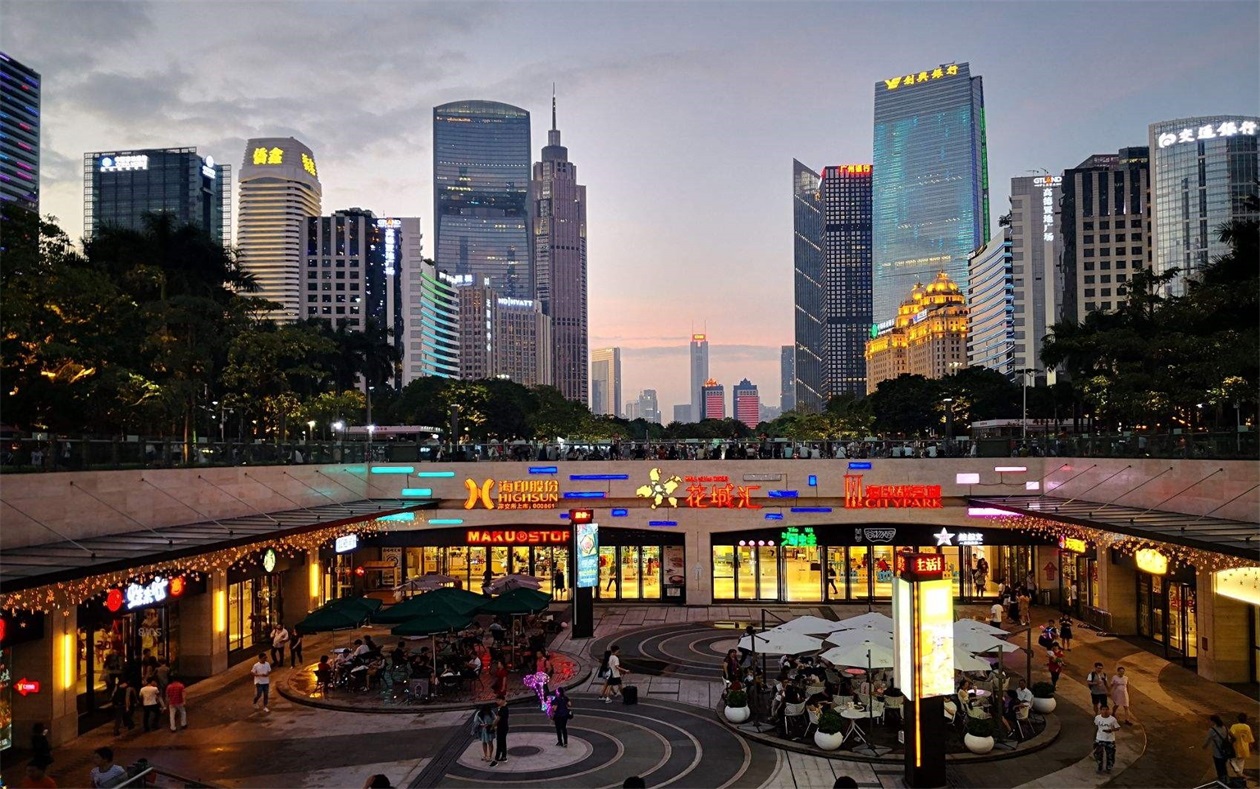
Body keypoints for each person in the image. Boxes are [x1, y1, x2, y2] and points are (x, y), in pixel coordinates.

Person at [1204, 715, 1233, 782]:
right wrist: (1229, 743)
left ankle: (1222, 782)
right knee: (1224, 767)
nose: (1209, 722)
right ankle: (1226, 780)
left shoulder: (1212, 730)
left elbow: (1207, 740)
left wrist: (1204, 746)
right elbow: (1234, 737)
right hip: (1225, 753)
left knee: (1219, 769)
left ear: (1213, 721)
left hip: (1217, 754)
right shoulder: (1225, 728)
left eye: (1210, 721)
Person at [1093, 703, 1120, 773]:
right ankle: (1100, 766)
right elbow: (1096, 726)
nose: (1105, 711)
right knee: (1098, 754)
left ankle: (1109, 767)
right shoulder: (1097, 718)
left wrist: (1111, 730)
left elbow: (1117, 727)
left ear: (1108, 710)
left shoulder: (1112, 719)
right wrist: (1095, 737)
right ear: (1100, 710)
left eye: (1106, 709)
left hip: (1110, 740)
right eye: (1103, 709)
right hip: (1100, 739)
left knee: (1110, 755)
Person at [1229, 713, 1254, 779]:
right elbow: (1250, 739)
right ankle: (1240, 776)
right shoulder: (1247, 727)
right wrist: (1250, 746)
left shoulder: (1234, 726)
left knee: (1232, 760)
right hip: (1244, 748)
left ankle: (1237, 771)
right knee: (1241, 762)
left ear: (1238, 719)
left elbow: (1230, 735)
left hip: (1235, 747)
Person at [492, 695, 511, 763]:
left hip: (502, 727)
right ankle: (502, 756)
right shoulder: (502, 708)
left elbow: (497, 719)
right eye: (496, 700)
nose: (497, 702)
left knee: (500, 742)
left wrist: (492, 726)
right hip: (503, 727)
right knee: (502, 742)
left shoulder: (503, 709)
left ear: (503, 700)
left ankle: (499, 756)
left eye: (498, 700)